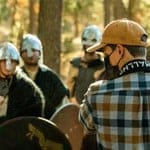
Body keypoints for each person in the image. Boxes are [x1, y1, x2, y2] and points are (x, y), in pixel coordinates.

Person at [79, 18, 150, 149]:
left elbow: (85, 127)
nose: (105, 58)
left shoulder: (97, 93)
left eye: (106, 53)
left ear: (119, 50)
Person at [19, 34, 69, 119]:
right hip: (19, 127)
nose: (30, 54)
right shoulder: (16, 77)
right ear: (21, 53)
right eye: (26, 51)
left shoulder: (50, 77)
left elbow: (63, 106)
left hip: (47, 126)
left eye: (34, 50)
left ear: (39, 52)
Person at [0, 42, 45, 124]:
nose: (8, 65)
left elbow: (26, 122)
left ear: (16, 63)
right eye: (4, 61)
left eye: (12, 61)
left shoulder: (27, 88)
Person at [67, 25, 104, 105]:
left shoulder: (103, 66)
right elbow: (69, 87)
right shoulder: (75, 64)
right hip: (76, 105)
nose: (89, 47)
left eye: (92, 45)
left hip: (96, 106)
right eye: (87, 45)